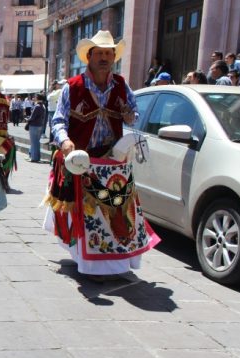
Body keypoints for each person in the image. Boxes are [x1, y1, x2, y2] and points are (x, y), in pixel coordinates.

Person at [45, 30, 159, 282]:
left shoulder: (121, 85)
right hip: (82, 160)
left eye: (109, 53)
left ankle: (115, 263)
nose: (105, 58)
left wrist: (130, 116)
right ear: (89, 56)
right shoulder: (72, 87)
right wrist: (65, 142)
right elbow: (58, 121)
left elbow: (134, 114)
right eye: (100, 53)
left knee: (117, 211)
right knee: (89, 214)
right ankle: (92, 266)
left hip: (112, 161)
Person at [26, 94, 45, 163]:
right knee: (37, 142)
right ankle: (37, 157)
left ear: (37, 98)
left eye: (35, 97)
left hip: (34, 125)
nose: (34, 98)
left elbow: (32, 117)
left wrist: (27, 119)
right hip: (40, 125)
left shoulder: (37, 106)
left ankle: (34, 157)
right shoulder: (42, 106)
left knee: (34, 142)